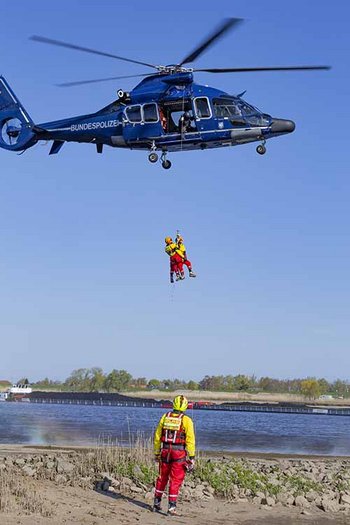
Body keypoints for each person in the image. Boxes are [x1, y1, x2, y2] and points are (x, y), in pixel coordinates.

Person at [153, 395, 195, 516]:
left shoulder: (165, 417)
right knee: (175, 480)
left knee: (162, 477)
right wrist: (192, 457)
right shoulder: (186, 420)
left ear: (173, 404)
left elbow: (157, 437)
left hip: (165, 451)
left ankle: (156, 503)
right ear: (185, 406)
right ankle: (171, 508)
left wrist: (156, 452)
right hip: (179, 454)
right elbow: (190, 440)